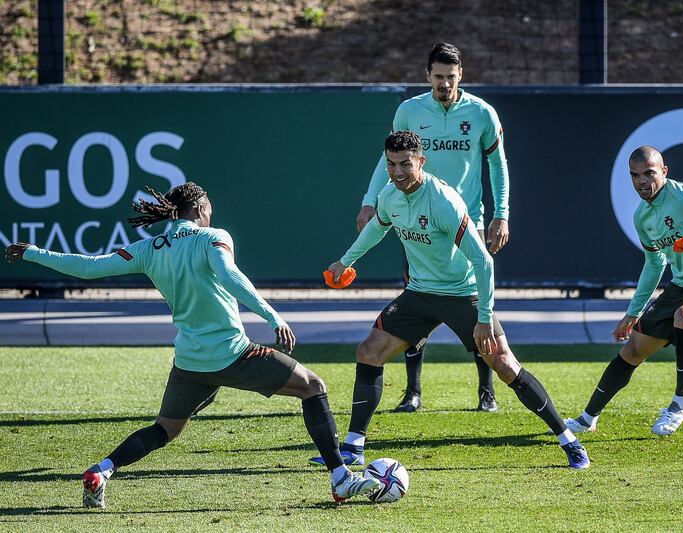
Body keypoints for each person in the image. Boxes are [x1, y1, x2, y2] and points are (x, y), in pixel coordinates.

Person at [4, 182, 379, 508]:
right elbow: (230, 275)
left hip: (190, 362)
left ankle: (101, 471)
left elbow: (88, 267)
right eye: (209, 207)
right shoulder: (214, 237)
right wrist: (272, 316)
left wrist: (35, 253)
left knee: (165, 429)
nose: (211, 212)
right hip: (233, 354)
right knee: (313, 387)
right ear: (200, 209)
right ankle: (341, 477)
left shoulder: (150, 248)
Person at [311, 131, 589, 469]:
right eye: (391, 165)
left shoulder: (443, 201)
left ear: (421, 162)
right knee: (369, 351)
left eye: (405, 165)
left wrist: (484, 318)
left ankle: (569, 441)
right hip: (420, 293)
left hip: (462, 294)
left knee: (504, 364)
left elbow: (483, 261)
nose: (398, 172)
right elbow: (377, 228)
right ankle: (354, 447)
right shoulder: (389, 195)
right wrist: (346, 261)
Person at [357, 42, 511, 414]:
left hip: (467, 221)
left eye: (451, 77)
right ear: (427, 75)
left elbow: (498, 166)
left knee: (475, 304)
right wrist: (370, 199)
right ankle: (412, 391)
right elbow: (388, 161)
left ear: (461, 76)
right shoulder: (409, 111)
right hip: (416, 218)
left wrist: (501, 213)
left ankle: (486, 390)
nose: (445, 83)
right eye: (439, 76)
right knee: (417, 297)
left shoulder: (481, 114)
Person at [564, 146, 683, 436]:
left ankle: (679, 405)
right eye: (635, 175)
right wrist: (632, 313)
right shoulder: (642, 218)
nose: (642, 181)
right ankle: (587, 419)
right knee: (633, 350)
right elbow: (654, 266)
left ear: (664, 171)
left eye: (649, 173)